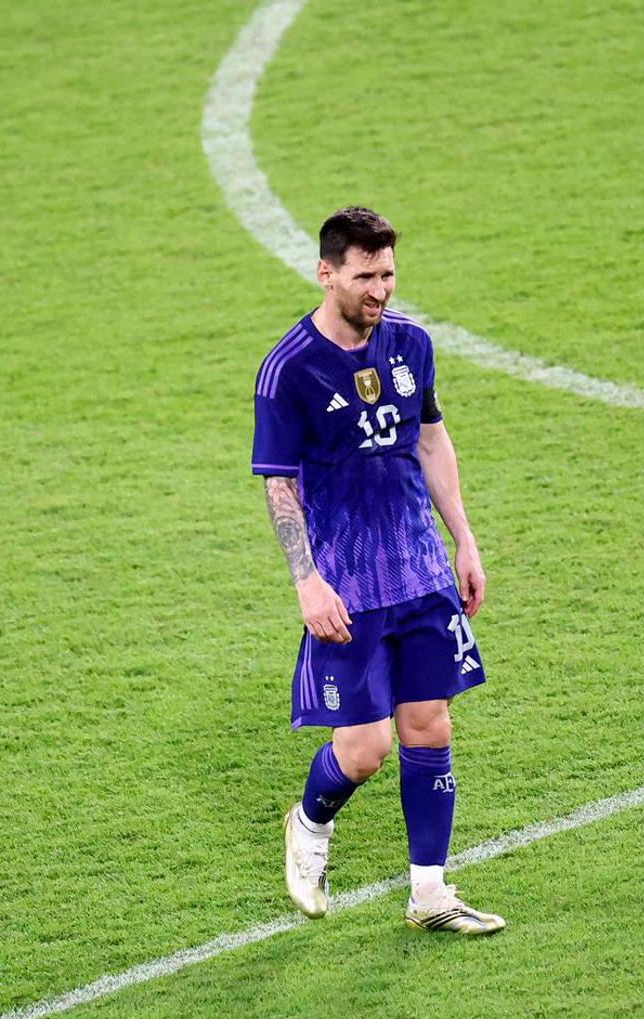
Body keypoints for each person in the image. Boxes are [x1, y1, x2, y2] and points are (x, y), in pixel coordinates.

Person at [251, 206, 503, 935]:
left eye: (388, 274)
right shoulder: (288, 369)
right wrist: (306, 580)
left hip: (419, 570)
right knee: (365, 750)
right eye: (365, 276)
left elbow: (431, 440)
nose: (380, 290)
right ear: (326, 274)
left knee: (430, 726)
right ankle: (309, 824)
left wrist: (464, 540)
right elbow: (279, 485)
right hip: (347, 582)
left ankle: (430, 893)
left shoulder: (411, 345)